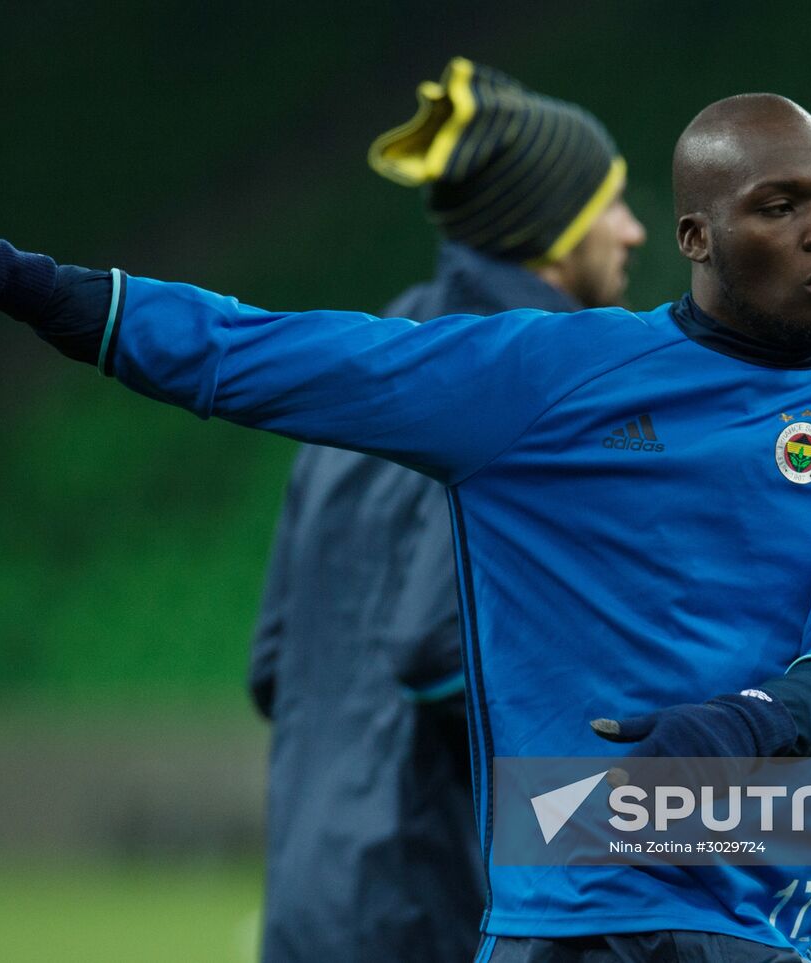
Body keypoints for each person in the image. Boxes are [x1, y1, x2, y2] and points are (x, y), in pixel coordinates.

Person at [0, 91, 811, 962]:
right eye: (781, 205)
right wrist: (15, 282)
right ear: (697, 238)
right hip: (556, 918)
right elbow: (257, 354)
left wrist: (749, 722)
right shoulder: (548, 377)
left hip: (751, 921)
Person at [247, 58, 645, 962]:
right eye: (610, 203)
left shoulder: (370, 364)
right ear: (553, 228)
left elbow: (273, 667)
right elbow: (435, 652)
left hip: (309, 903)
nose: (633, 230)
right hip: (438, 909)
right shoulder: (539, 386)